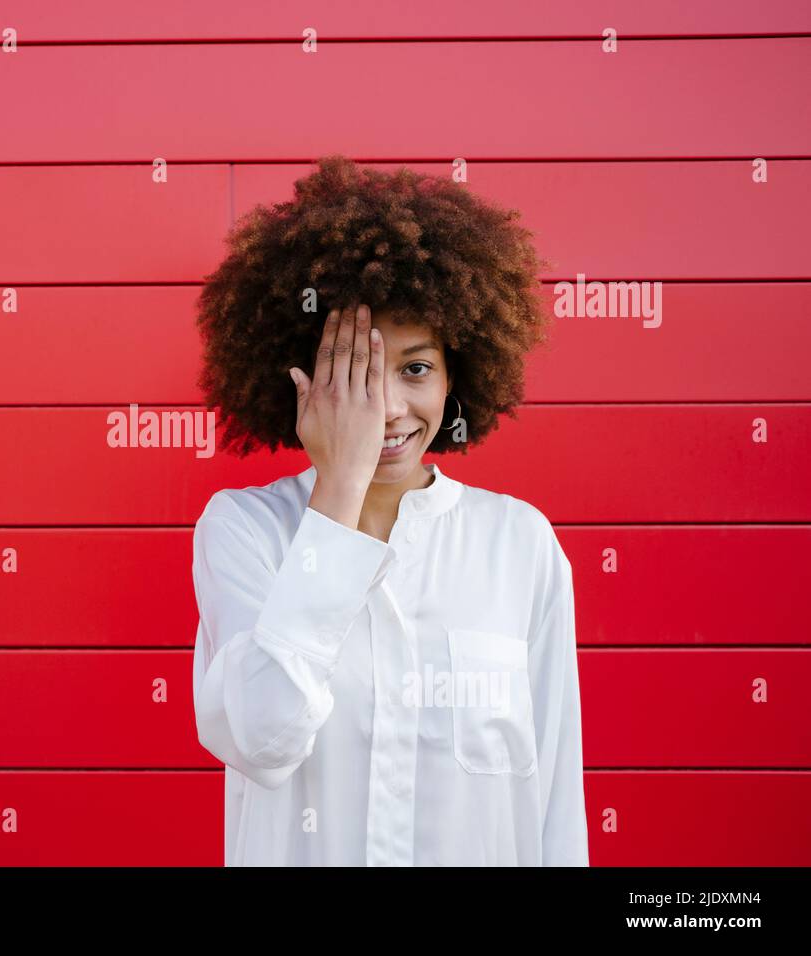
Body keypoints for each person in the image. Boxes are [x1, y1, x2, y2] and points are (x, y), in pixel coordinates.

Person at [190, 156, 588, 866]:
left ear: (455, 377)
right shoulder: (243, 530)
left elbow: (556, 797)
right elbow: (260, 736)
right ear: (302, 380)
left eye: (415, 368)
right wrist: (339, 484)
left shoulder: (519, 544)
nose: (387, 409)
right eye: (355, 371)